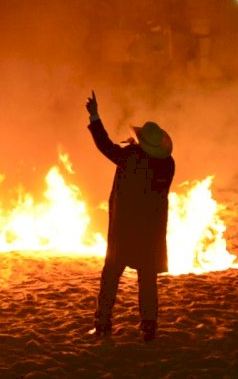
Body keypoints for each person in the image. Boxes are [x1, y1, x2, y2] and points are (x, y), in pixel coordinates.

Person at [85, 90, 175, 342]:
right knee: (147, 281)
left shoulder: (132, 157)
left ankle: (103, 324)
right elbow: (143, 161)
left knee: (111, 276)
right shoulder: (168, 164)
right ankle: (149, 327)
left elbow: (106, 146)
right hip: (150, 233)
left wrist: (95, 117)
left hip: (125, 230)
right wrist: (136, 148)